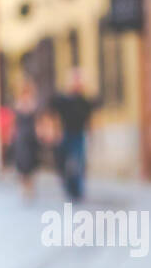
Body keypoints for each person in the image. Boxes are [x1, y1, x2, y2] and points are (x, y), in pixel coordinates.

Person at [49, 68, 98, 201]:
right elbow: (54, 116)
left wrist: (92, 135)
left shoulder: (84, 101)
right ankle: (68, 187)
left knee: (78, 161)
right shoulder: (62, 100)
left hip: (79, 134)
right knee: (65, 162)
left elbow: (90, 119)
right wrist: (55, 132)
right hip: (65, 133)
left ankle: (78, 189)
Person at [12, 78, 42, 200]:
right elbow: (14, 122)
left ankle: (30, 186)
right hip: (21, 137)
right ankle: (24, 186)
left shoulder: (33, 104)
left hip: (31, 137)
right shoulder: (18, 104)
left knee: (31, 162)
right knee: (22, 162)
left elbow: (37, 121)